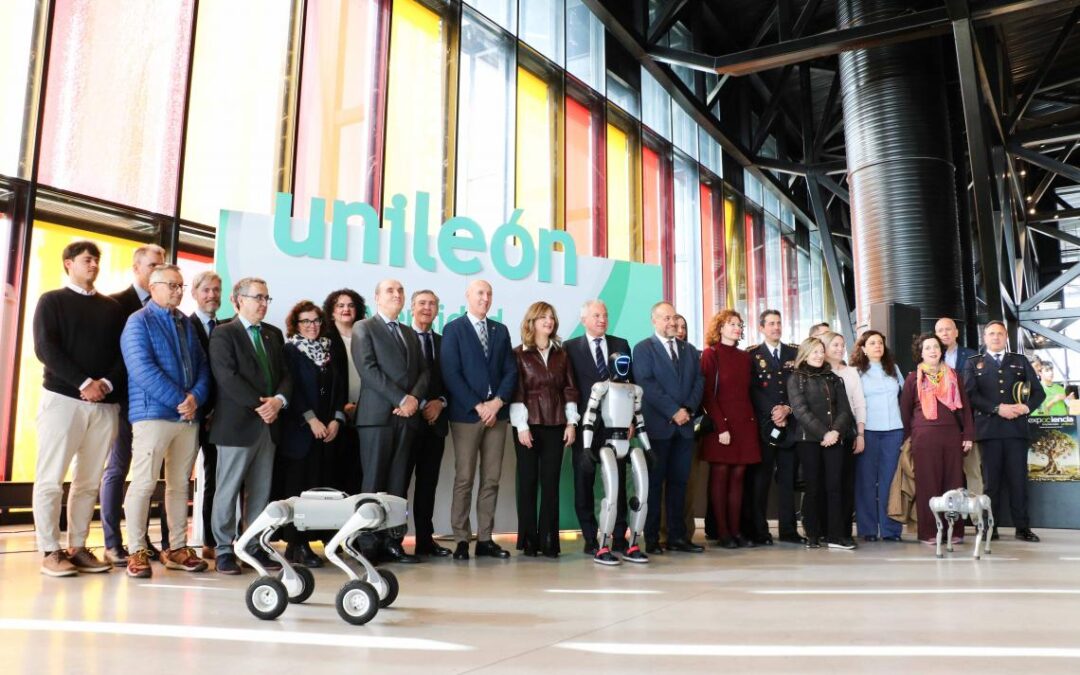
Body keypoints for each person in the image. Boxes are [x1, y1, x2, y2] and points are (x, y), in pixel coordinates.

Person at [32, 241, 125, 576]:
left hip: (104, 404)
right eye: (88, 260)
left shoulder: (112, 308)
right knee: (51, 478)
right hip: (62, 399)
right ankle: (50, 550)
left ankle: (78, 546)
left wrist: (107, 384)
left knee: (87, 481)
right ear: (68, 263)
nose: (94, 265)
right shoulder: (51, 301)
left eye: (97, 260)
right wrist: (84, 382)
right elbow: (46, 349)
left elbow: (122, 355)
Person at [120, 264, 212, 578]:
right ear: (153, 285)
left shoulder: (185, 322)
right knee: (144, 483)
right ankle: (136, 551)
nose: (177, 291)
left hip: (188, 417)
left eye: (180, 286)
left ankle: (176, 548)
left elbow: (202, 366)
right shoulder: (137, 321)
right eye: (171, 285)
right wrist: (179, 400)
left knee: (178, 487)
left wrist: (195, 398)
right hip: (153, 415)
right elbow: (141, 368)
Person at [208, 277, 293, 574]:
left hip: (268, 426)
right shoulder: (223, 333)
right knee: (227, 490)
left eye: (266, 298)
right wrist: (262, 406)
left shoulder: (273, 334)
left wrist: (279, 401)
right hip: (237, 426)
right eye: (257, 297)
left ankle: (252, 546)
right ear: (238, 300)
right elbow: (227, 377)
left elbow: (285, 374)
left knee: (260, 492)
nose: (263, 304)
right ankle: (223, 549)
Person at [352, 279, 429, 564]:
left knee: (398, 484)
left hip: (407, 418)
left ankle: (393, 541)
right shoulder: (364, 328)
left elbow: (423, 372)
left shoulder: (408, 332)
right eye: (390, 291)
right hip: (377, 419)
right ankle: (367, 544)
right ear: (376, 298)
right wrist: (401, 399)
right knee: (373, 483)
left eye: (400, 291)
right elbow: (368, 370)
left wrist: (413, 400)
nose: (396, 295)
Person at [440, 280, 517, 560]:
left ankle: (485, 539)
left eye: (488, 294)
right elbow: (451, 373)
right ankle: (461, 539)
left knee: (492, 479)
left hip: (497, 416)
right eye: (479, 293)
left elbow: (510, 371)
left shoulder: (500, 330)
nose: (485, 298)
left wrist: (496, 403)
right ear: (468, 296)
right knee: (464, 479)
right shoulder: (453, 329)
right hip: (466, 416)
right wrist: (477, 405)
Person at [101, 243, 167, 566]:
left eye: (163, 264)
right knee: (118, 468)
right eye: (153, 264)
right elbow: (111, 355)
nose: (159, 269)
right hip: (124, 401)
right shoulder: (115, 304)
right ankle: (112, 543)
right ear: (137, 267)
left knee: (148, 475)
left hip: (156, 407)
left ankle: (140, 541)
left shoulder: (167, 310)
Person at [276, 300, 346, 567]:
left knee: (319, 489)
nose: (312, 326)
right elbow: (291, 389)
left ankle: (311, 542)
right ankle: (296, 544)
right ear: (296, 324)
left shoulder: (329, 351)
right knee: (297, 491)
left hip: (327, 432)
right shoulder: (290, 350)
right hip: (299, 433)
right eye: (306, 321)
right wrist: (311, 419)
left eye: (316, 321)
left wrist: (337, 419)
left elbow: (339, 389)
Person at [963, 321, 1045, 542]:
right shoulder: (973, 363)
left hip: (1016, 430)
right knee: (991, 483)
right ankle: (991, 526)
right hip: (989, 431)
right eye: (991, 334)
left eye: (1000, 334)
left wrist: (1026, 407)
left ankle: (1022, 528)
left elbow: (1038, 393)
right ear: (984, 337)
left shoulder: (1019, 361)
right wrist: (998, 408)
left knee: (1018, 481)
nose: (996, 337)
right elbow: (970, 395)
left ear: (1006, 336)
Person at [633, 301, 704, 554]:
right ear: (654, 320)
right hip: (658, 428)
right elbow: (647, 384)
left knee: (679, 485)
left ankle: (678, 537)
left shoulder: (690, 349)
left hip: (684, 429)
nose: (672, 322)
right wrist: (673, 411)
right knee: (654, 485)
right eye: (666, 318)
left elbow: (698, 382)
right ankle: (652, 539)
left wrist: (687, 410)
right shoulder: (643, 349)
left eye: (674, 318)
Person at [510, 302, 579, 558]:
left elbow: (570, 390)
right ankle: (529, 542)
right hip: (527, 427)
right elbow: (517, 391)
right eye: (543, 317)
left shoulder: (562, 354)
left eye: (551, 317)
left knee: (551, 484)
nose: (548, 321)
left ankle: (550, 541)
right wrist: (521, 427)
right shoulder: (518, 354)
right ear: (532, 322)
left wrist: (571, 423)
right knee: (527, 483)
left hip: (556, 425)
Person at [564, 300, 631, 554]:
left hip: (617, 426)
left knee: (618, 483)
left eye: (605, 315)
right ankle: (591, 539)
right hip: (586, 426)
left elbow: (629, 385)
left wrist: (631, 421)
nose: (602, 319)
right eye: (596, 315)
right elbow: (569, 388)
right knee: (584, 481)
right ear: (584, 320)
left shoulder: (621, 345)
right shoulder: (570, 348)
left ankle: (620, 537)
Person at [901, 333, 975, 544]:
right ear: (920, 353)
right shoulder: (912, 378)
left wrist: (968, 435)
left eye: (935, 346)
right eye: (927, 348)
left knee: (954, 483)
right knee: (928, 486)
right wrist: (909, 439)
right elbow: (905, 412)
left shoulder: (954, 376)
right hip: (923, 438)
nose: (933, 350)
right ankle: (929, 532)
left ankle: (956, 532)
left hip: (952, 435)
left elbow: (966, 409)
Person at [699, 310, 760, 549]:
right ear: (720, 328)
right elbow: (707, 395)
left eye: (739, 324)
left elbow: (747, 393)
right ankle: (722, 532)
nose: (736, 327)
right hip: (720, 425)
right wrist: (721, 426)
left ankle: (736, 531)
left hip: (744, 424)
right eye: (731, 324)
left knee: (738, 478)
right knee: (720, 476)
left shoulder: (745, 358)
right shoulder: (710, 354)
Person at [787, 337, 855, 550]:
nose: (818, 355)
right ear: (805, 354)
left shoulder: (834, 378)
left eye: (820, 351)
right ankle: (813, 534)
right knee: (814, 487)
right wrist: (824, 433)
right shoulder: (796, 378)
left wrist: (835, 432)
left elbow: (845, 410)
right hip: (809, 441)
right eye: (813, 351)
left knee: (835, 487)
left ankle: (835, 536)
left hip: (835, 439)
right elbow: (800, 411)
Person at [745, 310, 801, 545]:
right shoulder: (752, 355)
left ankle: (789, 531)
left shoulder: (794, 353)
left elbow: (799, 386)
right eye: (770, 324)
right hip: (764, 427)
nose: (776, 327)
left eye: (778, 323)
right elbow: (752, 389)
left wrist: (787, 408)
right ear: (761, 328)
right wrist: (774, 411)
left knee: (788, 481)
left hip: (789, 425)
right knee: (761, 480)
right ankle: (760, 532)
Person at [406, 289, 451, 557]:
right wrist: (421, 404)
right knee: (399, 484)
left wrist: (441, 402)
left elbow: (451, 379)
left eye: (432, 304)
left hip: (435, 423)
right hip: (407, 422)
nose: (427, 308)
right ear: (411, 308)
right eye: (422, 303)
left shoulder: (444, 342)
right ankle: (393, 540)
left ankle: (425, 540)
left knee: (427, 485)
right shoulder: (401, 337)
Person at [850, 330, 905, 541]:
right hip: (868, 432)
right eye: (872, 343)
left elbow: (903, 396)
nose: (877, 346)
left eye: (880, 343)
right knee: (865, 481)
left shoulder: (893, 369)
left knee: (890, 482)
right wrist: (858, 432)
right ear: (863, 348)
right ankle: (868, 529)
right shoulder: (856, 371)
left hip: (893, 431)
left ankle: (891, 530)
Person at [189, 270, 222, 560]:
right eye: (206, 290)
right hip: (188, 413)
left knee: (215, 478)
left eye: (216, 290)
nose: (212, 295)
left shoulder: (225, 328)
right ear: (194, 294)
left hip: (217, 417)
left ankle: (211, 539)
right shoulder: (183, 325)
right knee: (178, 480)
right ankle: (171, 543)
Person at [322, 289, 366, 494]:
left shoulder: (365, 336)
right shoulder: (326, 339)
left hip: (365, 412)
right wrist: (342, 407)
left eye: (350, 305)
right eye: (340, 305)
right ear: (331, 312)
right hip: (336, 415)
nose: (346, 309)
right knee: (334, 473)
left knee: (358, 473)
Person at [822, 331, 865, 539]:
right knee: (828, 485)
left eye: (842, 345)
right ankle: (827, 530)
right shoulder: (818, 372)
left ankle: (845, 531)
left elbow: (859, 404)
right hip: (823, 435)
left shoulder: (851, 372)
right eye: (835, 345)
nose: (840, 349)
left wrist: (861, 434)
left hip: (847, 433)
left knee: (846, 485)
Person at [936, 316, 983, 496]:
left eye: (948, 329)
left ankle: (978, 517)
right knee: (946, 472)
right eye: (940, 330)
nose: (944, 333)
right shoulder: (931, 358)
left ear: (956, 332)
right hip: (941, 425)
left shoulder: (972, 356)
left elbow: (979, 389)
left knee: (973, 470)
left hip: (968, 421)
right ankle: (951, 516)